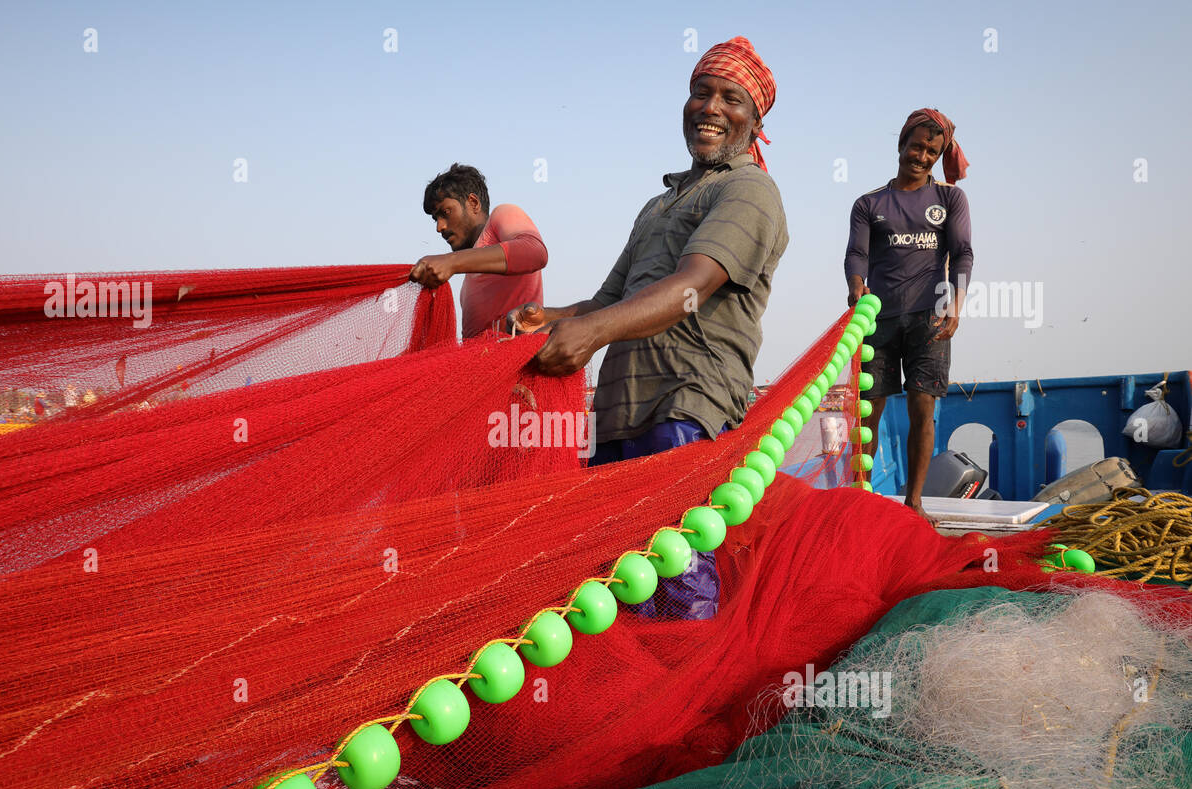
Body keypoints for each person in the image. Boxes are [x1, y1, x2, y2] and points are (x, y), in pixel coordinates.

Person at [508, 36, 788, 618]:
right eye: (699, 93)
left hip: (685, 406)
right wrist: (549, 319)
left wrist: (589, 335)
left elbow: (692, 287)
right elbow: (609, 300)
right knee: (622, 587)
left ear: (755, 121)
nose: (711, 107)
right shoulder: (659, 204)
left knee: (680, 579)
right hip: (618, 412)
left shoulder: (749, 189)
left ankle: (690, 699)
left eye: (730, 98)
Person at [844, 108, 972, 527]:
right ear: (900, 144)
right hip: (879, 319)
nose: (921, 156)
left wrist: (956, 302)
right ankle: (859, 498)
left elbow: (963, 252)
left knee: (923, 408)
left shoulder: (949, 198)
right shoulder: (869, 204)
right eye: (916, 146)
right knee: (868, 412)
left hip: (930, 320)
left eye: (931, 151)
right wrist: (855, 284)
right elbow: (857, 253)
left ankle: (913, 502)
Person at [409, 164, 548, 341]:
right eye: (435, 219)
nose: (440, 227)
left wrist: (451, 261)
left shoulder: (502, 214)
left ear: (473, 203)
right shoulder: (466, 286)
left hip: (519, 362)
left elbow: (534, 252)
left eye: (446, 212)